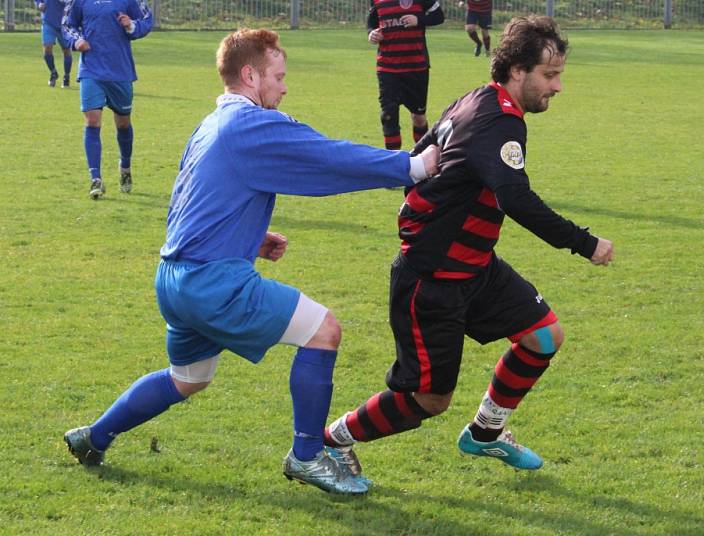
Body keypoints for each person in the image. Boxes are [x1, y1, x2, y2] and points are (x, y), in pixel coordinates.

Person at [63, 28, 440, 496]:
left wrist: (251, 235)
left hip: (174, 279)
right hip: (213, 282)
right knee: (324, 331)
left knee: (189, 377)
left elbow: (187, 199)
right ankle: (306, 456)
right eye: (278, 76)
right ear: (249, 75)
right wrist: (412, 167)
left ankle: (93, 436)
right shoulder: (251, 124)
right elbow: (328, 157)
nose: (284, 87)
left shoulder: (209, 125)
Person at [323, 15, 614, 487]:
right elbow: (513, 198)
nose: (558, 86)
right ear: (517, 70)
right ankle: (331, 442)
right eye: (550, 75)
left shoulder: (475, 99)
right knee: (430, 399)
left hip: (474, 266)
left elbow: (424, 153)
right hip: (433, 279)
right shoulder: (499, 123)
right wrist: (586, 243)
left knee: (543, 336)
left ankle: (485, 430)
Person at [62, 0, 153, 199]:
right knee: (92, 121)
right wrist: (77, 40)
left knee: (123, 123)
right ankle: (95, 178)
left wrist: (131, 25)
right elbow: (67, 24)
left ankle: (125, 167)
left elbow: (147, 20)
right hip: (91, 69)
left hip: (120, 70)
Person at [367, 0, 444, 150]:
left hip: (416, 67)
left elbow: (439, 17)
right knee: (388, 117)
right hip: (387, 67)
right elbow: (372, 21)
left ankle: (420, 158)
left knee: (418, 118)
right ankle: (393, 163)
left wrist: (419, 20)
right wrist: (371, 33)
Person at [35, 0, 73, 87]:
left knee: (66, 50)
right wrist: (39, 3)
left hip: (64, 24)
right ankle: (53, 73)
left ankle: (66, 76)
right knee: (47, 48)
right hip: (48, 22)